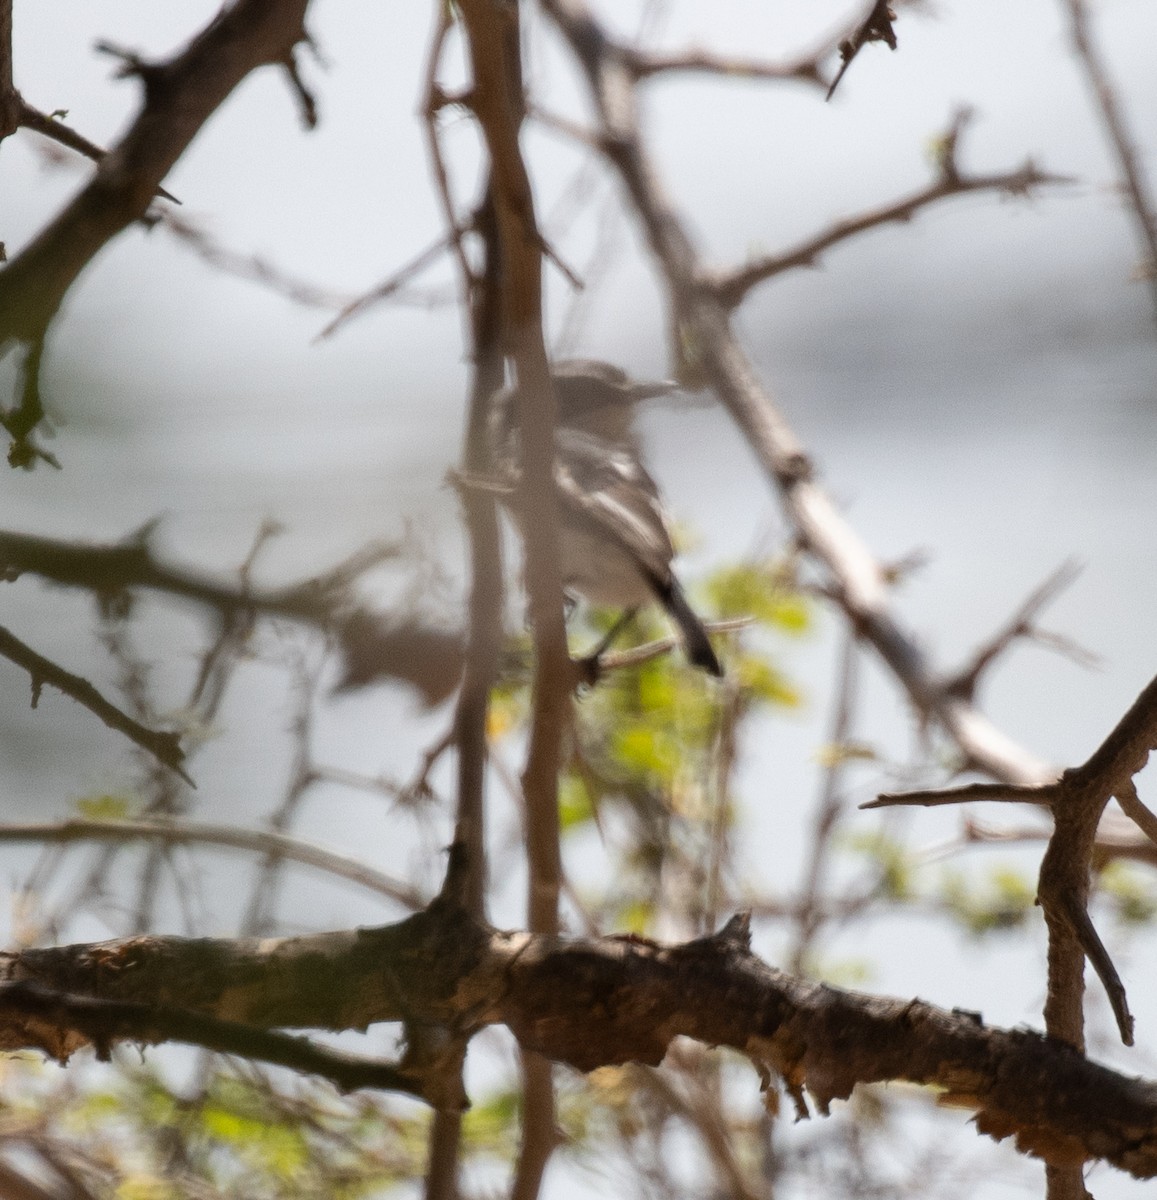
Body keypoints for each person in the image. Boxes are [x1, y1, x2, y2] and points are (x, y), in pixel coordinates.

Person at [491, 360, 722, 676]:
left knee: (634, 587)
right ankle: (594, 658)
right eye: (603, 397)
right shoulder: (547, 451)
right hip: (647, 564)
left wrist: (552, 583)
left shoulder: (598, 456)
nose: (626, 404)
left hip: (627, 551)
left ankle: (591, 658)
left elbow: (610, 510)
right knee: (642, 593)